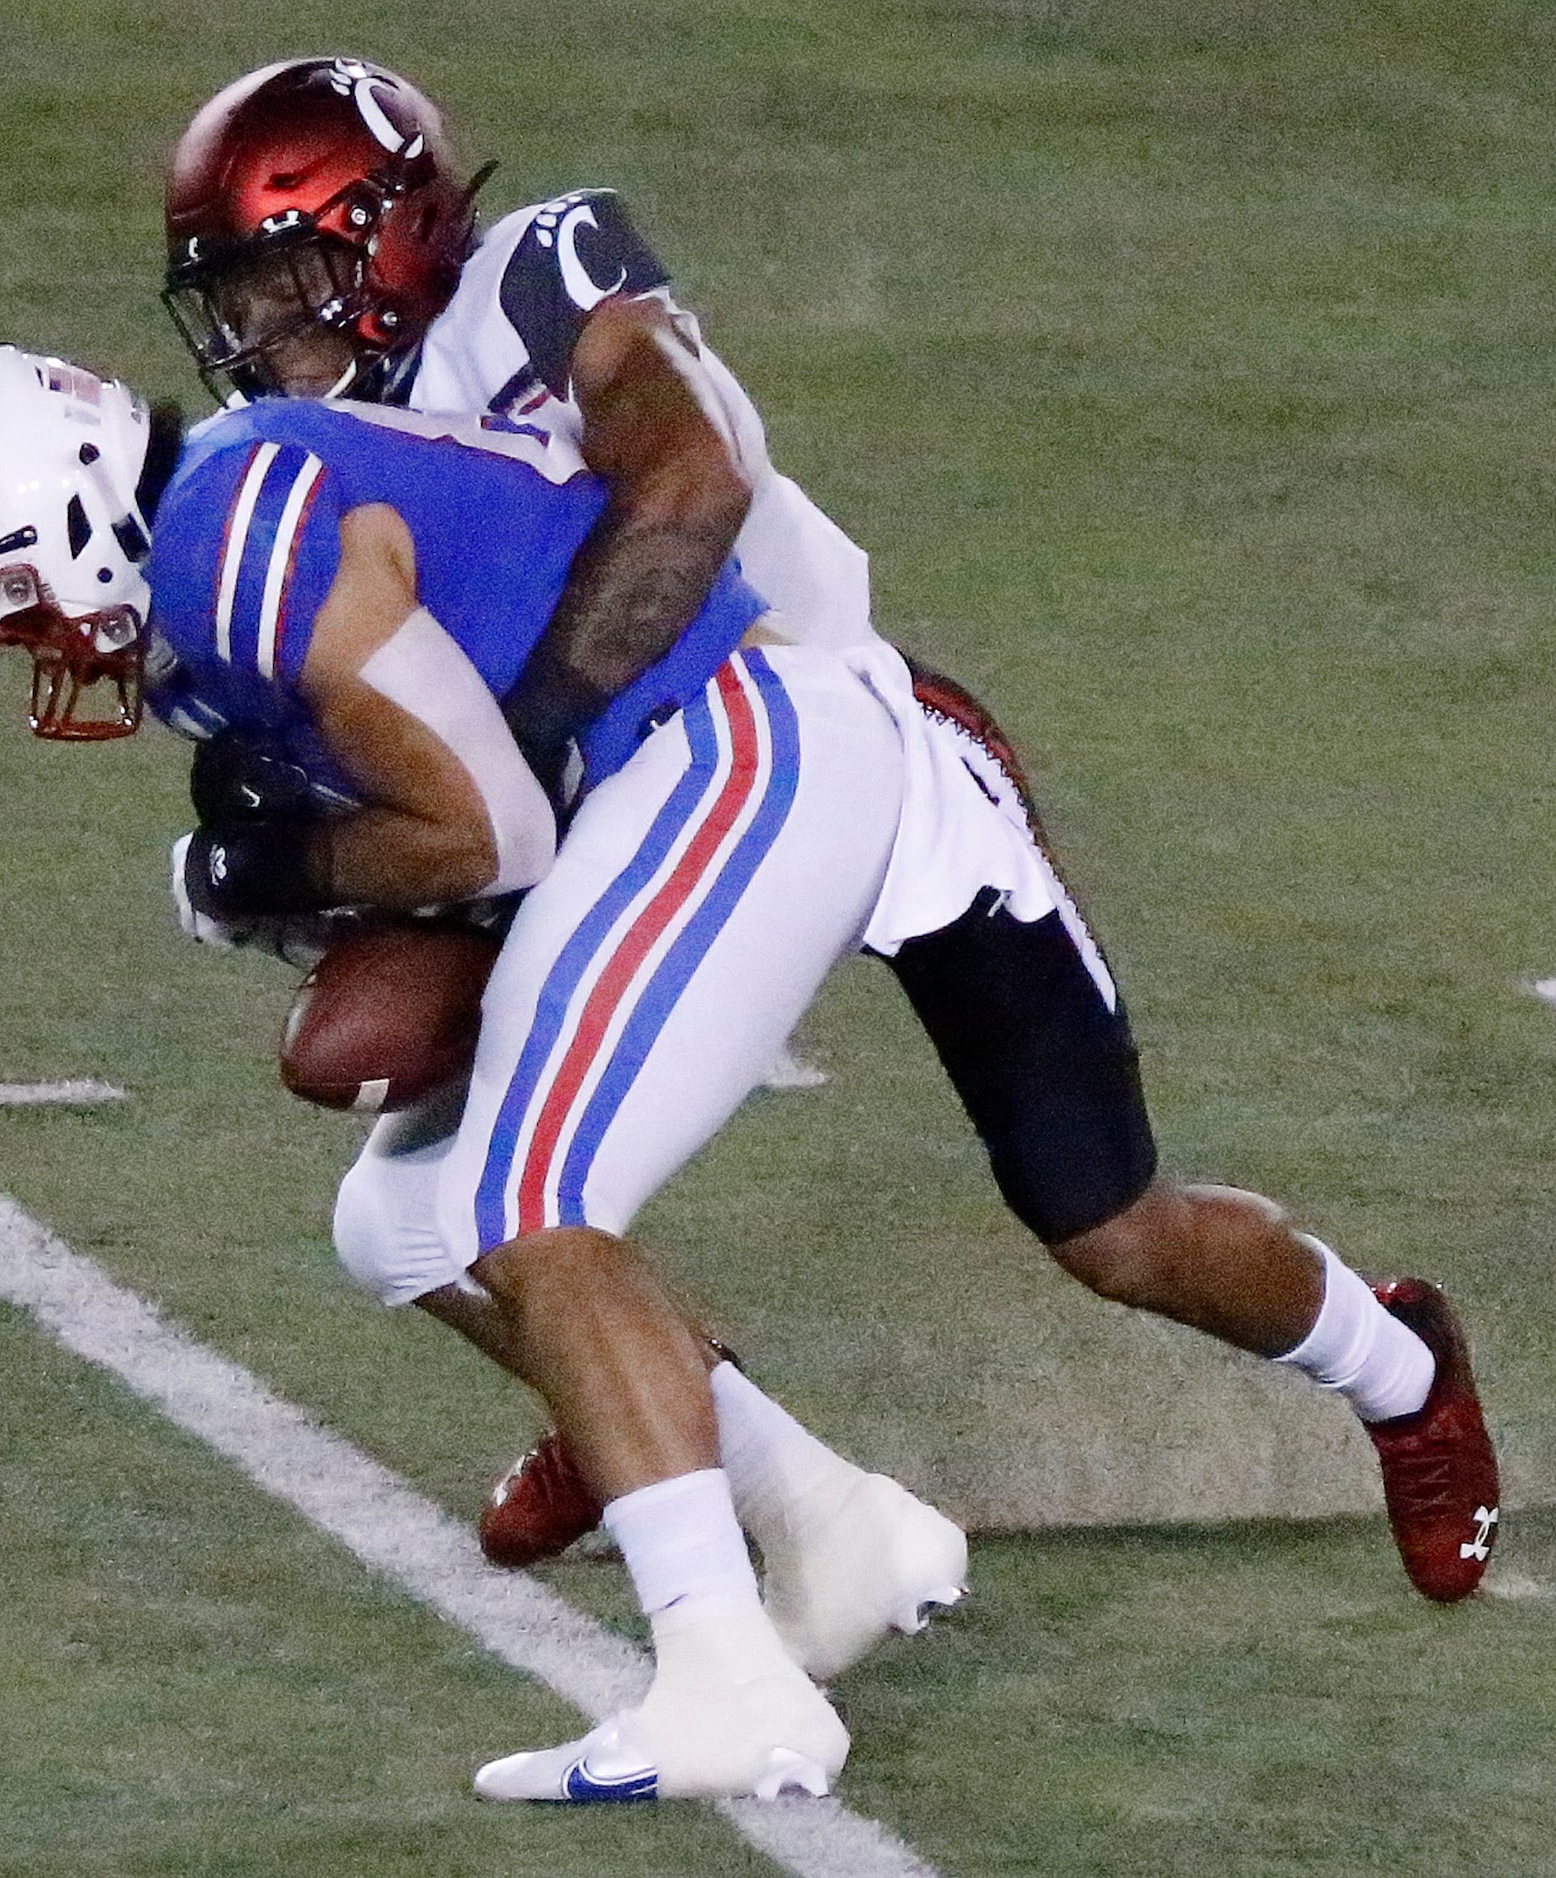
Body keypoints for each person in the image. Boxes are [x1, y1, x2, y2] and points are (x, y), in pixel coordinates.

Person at [155, 56, 1504, 1612]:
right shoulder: (295, 468)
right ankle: (647, 1408)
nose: (267, 331)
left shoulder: (541, 278)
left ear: (394, 229)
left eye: (292, 276)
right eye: (238, 298)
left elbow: (690, 474)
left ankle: (1400, 1369)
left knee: (1110, 1223)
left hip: (818, 751)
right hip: (626, 810)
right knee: (434, 1191)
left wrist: (529, 748)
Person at [0, 345, 986, 1800]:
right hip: (657, 782)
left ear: (64, 515)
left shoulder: (223, 534)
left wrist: (282, 864)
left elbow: (489, 832)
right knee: (400, 1218)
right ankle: (831, 1523)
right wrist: (298, 887)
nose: (41, 655)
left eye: (18, 610)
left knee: (527, 1191)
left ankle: (727, 1675)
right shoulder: (210, 571)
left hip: (736, 744)